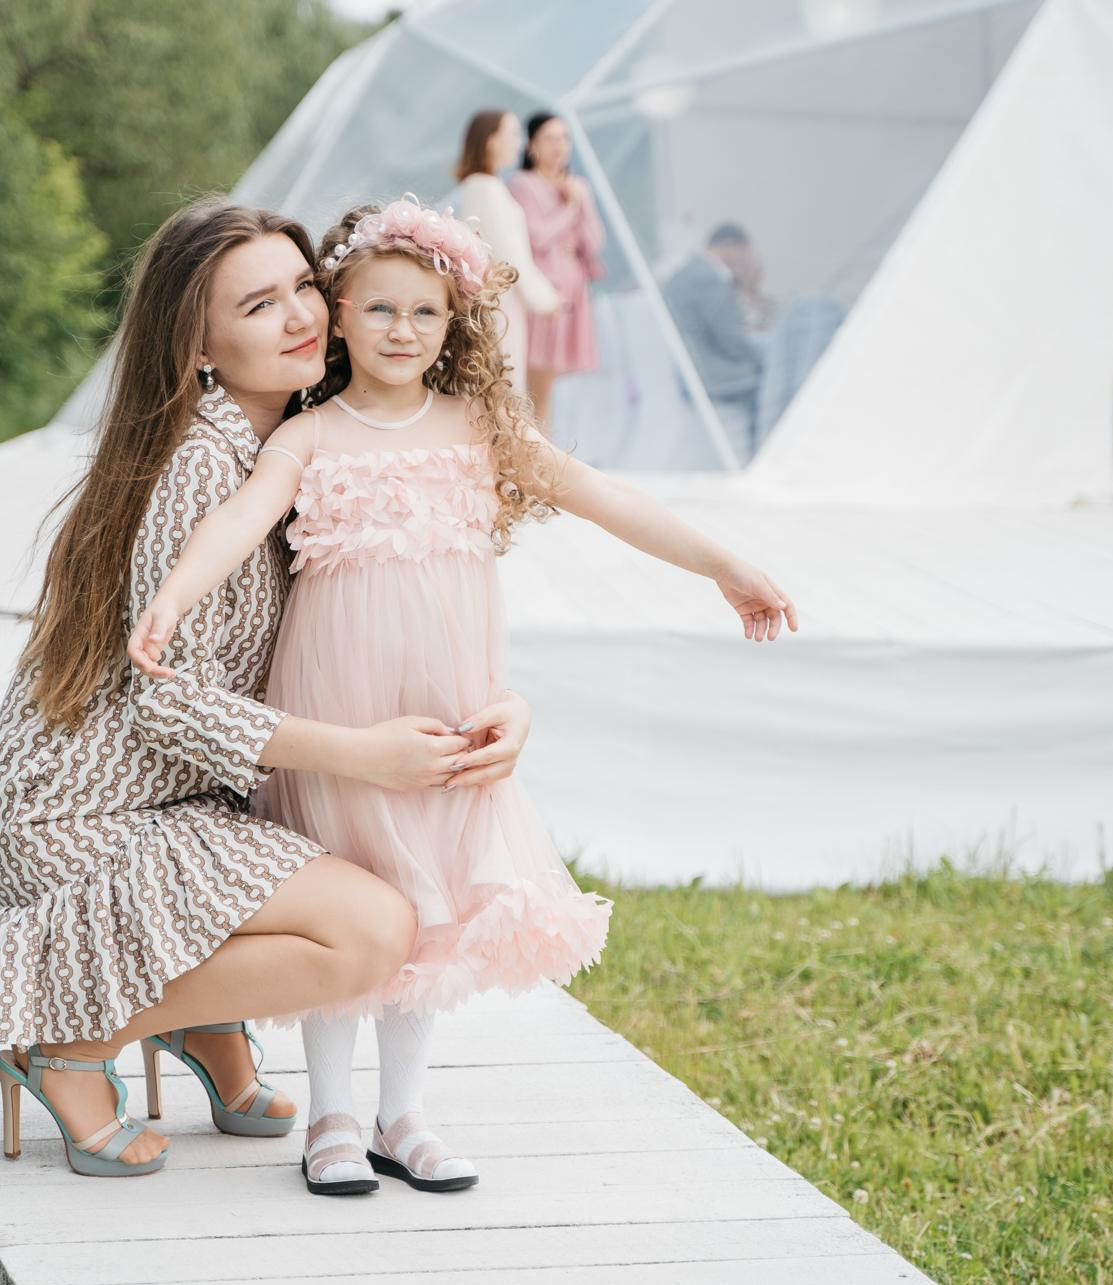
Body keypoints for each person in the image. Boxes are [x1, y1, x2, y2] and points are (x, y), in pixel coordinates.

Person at [127, 197, 797, 1195]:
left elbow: (604, 494)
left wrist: (721, 564)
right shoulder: (312, 435)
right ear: (340, 312)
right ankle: (333, 1116)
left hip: (450, 701)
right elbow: (239, 516)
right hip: (345, 704)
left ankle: (402, 1112)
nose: (402, 331)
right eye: (381, 309)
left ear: (453, 328)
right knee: (364, 886)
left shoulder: (479, 427)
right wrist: (171, 599)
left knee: (430, 896)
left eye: (425, 315)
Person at [0, 199, 537, 1178]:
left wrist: (502, 708)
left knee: (366, 888)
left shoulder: (302, 437)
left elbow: (396, 611)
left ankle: (203, 1027)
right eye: (259, 304)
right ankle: (67, 1036)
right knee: (371, 932)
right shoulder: (197, 465)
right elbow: (163, 707)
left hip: (173, 797)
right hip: (73, 816)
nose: (300, 315)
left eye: (304, 285)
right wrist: (363, 753)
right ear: (199, 351)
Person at [508, 112, 606, 430]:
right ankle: (541, 449)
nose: (559, 146)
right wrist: (570, 207)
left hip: (573, 291)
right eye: (550, 138)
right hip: (543, 291)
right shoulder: (523, 184)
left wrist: (579, 202)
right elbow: (536, 236)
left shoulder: (577, 186)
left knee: (550, 381)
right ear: (532, 145)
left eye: (564, 138)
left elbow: (593, 240)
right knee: (537, 378)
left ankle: (544, 446)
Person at [452, 109, 560, 395]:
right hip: (500, 303)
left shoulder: (486, 186)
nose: (517, 142)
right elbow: (510, 256)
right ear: (490, 140)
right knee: (507, 388)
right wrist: (546, 298)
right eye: (511, 133)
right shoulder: (484, 188)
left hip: (504, 301)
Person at [663, 223, 768, 418]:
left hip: (695, 374)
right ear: (729, 246)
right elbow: (733, 342)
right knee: (773, 380)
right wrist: (768, 359)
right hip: (714, 376)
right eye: (744, 253)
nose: (744, 261)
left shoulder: (684, 274)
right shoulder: (708, 277)